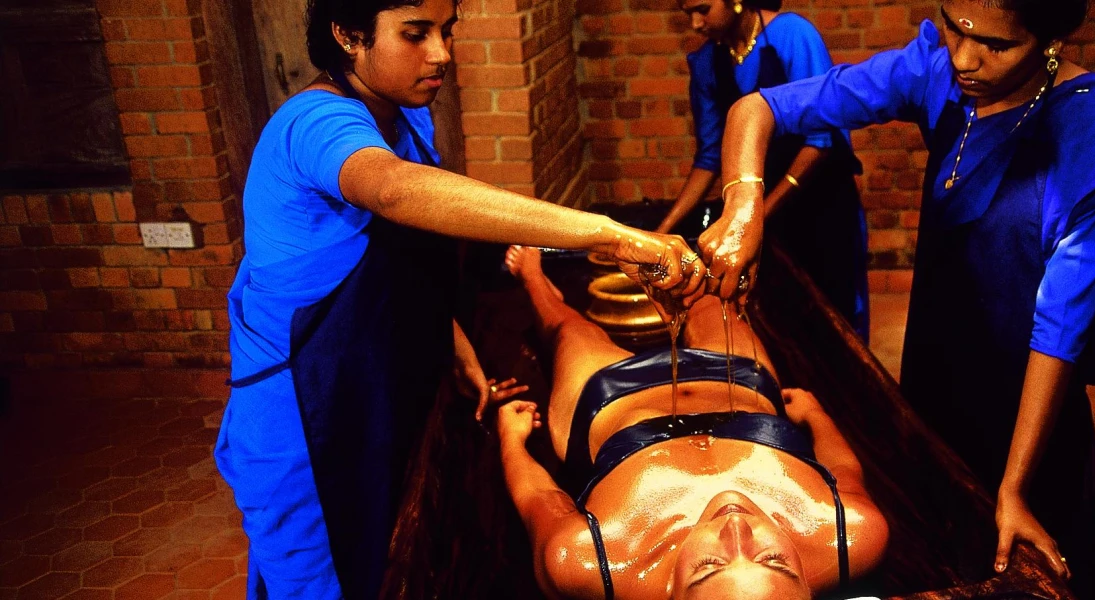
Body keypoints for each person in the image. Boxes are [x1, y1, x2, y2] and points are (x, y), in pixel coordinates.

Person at [212, 0, 703, 597]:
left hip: (372, 380)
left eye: (447, 32)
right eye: (415, 34)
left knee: (390, 554)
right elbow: (393, 192)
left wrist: (464, 359)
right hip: (304, 409)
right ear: (347, 35)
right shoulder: (313, 125)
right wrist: (610, 233)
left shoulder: (407, 118)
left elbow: (397, 267)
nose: (442, 53)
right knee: (323, 575)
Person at [697, 0, 1095, 596]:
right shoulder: (936, 71)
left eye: (996, 45)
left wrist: (1015, 488)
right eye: (954, 25)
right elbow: (757, 108)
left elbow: (1060, 326)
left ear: (1050, 37)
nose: (965, 58)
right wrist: (744, 208)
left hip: (1025, 414)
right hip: (931, 379)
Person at [495, 245, 888, 600]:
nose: (737, 526)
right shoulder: (851, 535)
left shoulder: (589, 563)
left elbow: (539, 500)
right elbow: (842, 471)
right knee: (712, 302)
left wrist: (511, 441)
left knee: (568, 329)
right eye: (774, 560)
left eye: (709, 567)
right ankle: (685, 261)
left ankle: (535, 281)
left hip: (611, 402)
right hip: (736, 382)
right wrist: (815, 416)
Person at [656, 0, 871, 340]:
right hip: (762, 210)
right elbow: (710, 156)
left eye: (702, 9)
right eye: (687, 14)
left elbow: (822, 139)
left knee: (836, 319)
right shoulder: (708, 63)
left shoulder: (792, 35)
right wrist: (664, 229)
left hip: (822, 204)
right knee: (781, 325)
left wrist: (754, 215)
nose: (696, 24)